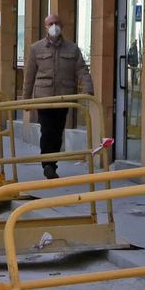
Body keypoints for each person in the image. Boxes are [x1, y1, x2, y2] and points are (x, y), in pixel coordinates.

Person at [22, 14, 93, 179]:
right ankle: (48, 164)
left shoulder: (72, 49)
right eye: (51, 24)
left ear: (62, 26)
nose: (54, 26)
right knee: (47, 130)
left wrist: (88, 90)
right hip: (44, 98)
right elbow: (29, 76)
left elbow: (82, 70)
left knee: (57, 132)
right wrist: (26, 100)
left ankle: (52, 163)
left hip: (63, 97)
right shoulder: (36, 48)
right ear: (46, 27)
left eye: (56, 23)